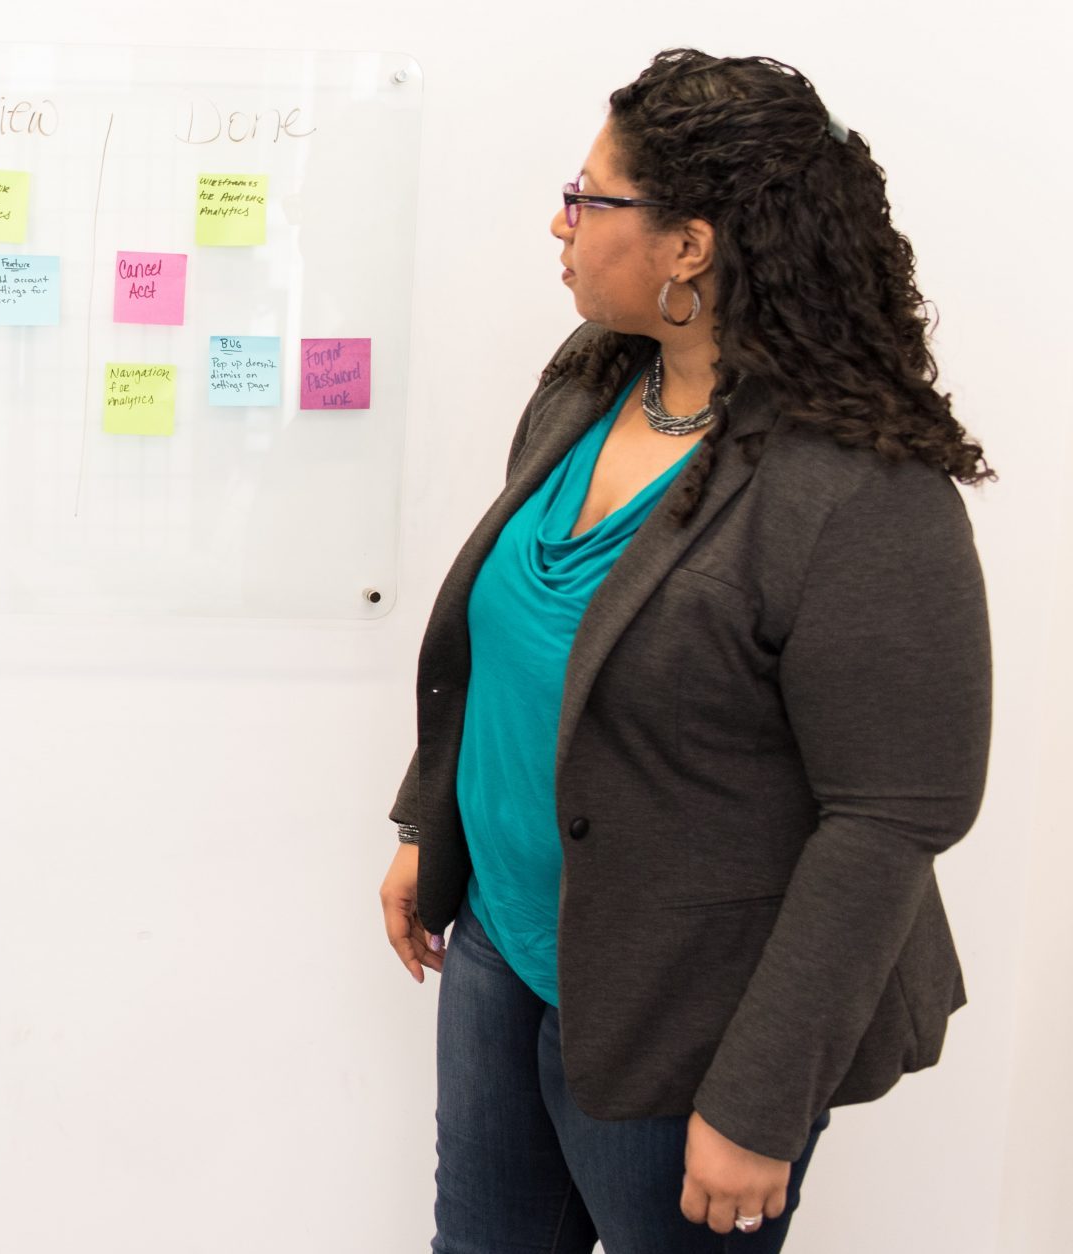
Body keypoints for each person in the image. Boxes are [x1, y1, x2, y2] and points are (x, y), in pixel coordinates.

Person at [375, 50, 992, 1251]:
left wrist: (757, 1101)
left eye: (589, 196)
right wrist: (429, 827)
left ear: (689, 247)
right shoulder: (592, 382)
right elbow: (508, 648)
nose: (558, 222)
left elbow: (889, 818)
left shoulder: (860, 488)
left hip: (689, 1018)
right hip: (503, 944)